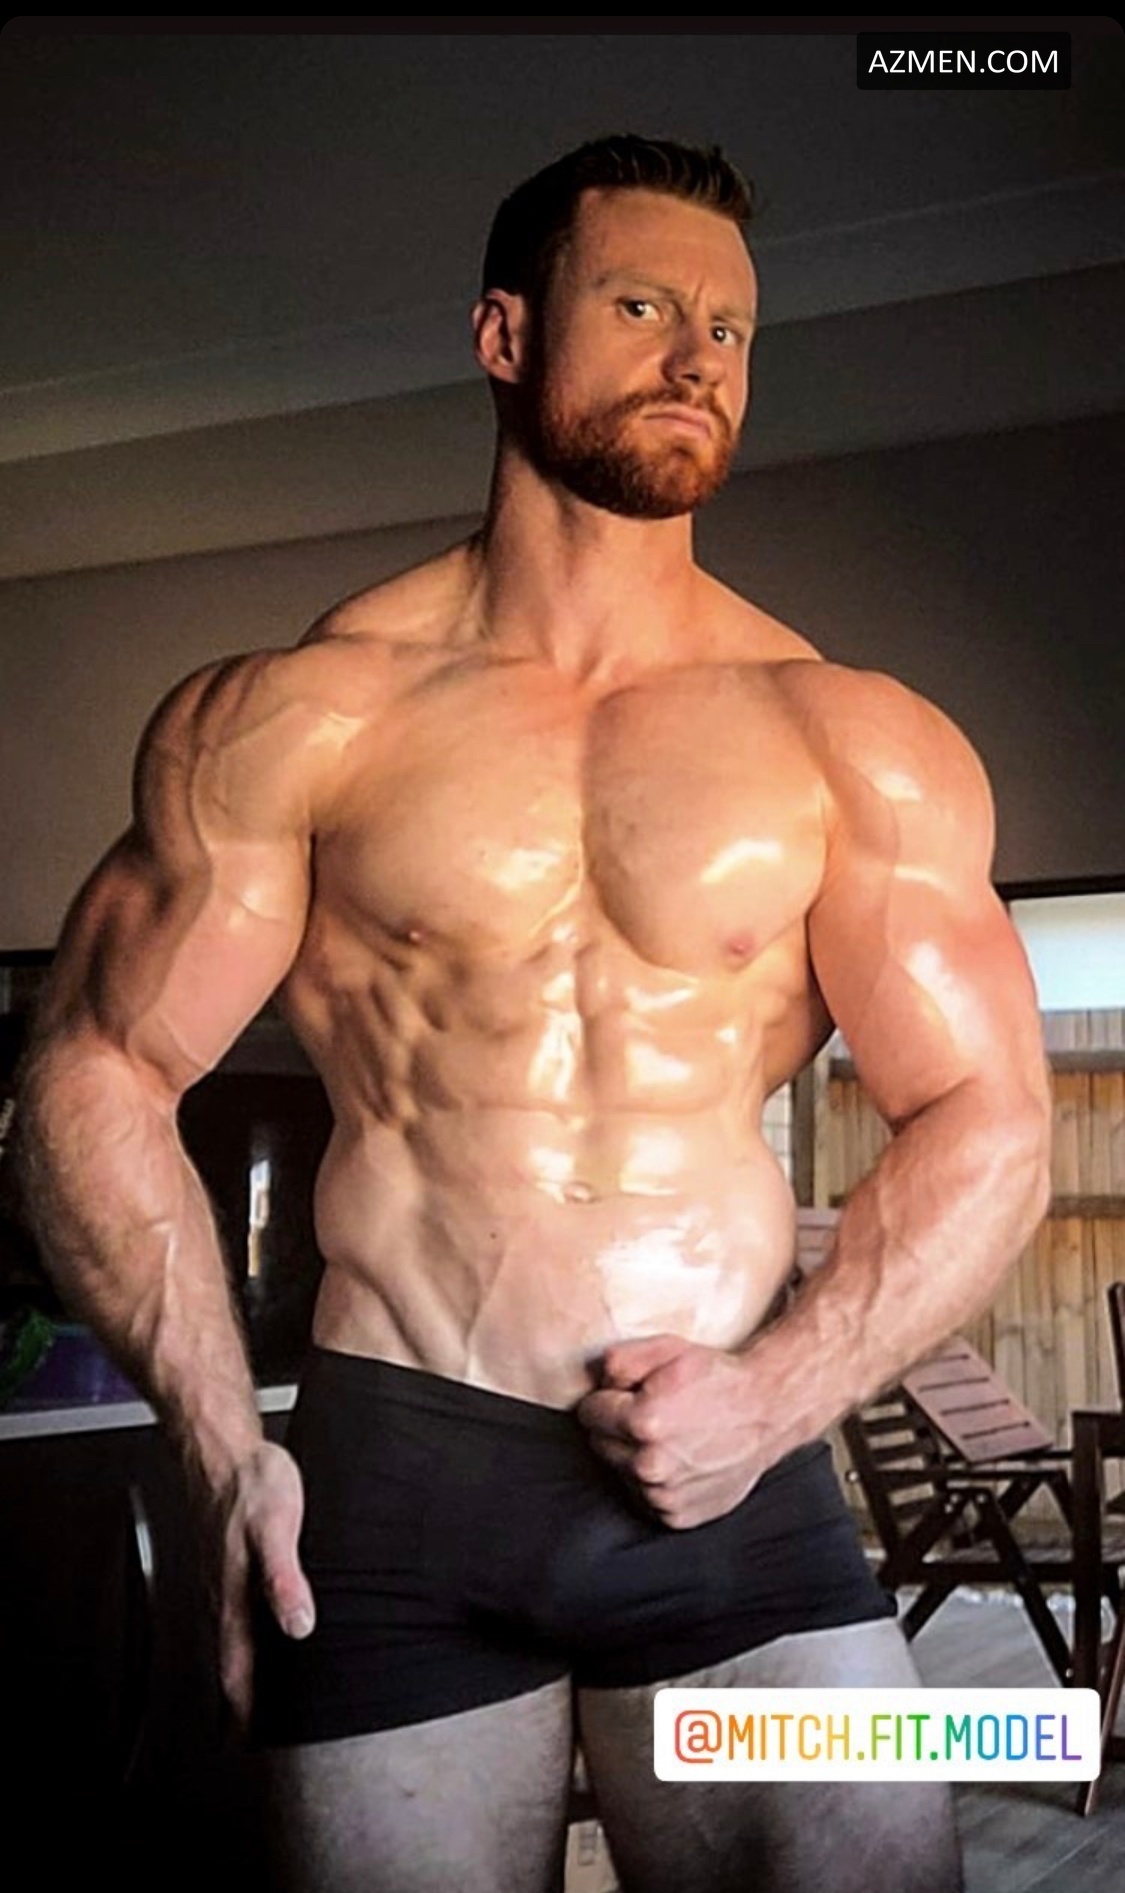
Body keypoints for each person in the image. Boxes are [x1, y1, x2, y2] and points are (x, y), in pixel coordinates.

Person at [17, 135, 1050, 1893]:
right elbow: (93, 1067)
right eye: (641, 305)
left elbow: (995, 1117)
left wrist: (777, 1393)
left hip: (731, 1476)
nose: (696, 356)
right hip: (391, 1486)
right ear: (504, 334)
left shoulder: (851, 737)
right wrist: (219, 1452)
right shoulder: (301, 715)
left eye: (730, 327)